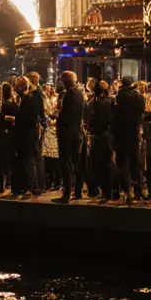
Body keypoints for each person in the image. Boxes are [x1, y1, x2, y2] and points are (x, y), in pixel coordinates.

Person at [55, 71, 86, 203]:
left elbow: (66, 115)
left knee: (66, 163)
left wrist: (58, 120)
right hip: (77, 132)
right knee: (77, 163)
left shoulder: (69, 94)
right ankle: (78, 191)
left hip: (67, 133)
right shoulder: (80, 93)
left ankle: (67, 193)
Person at [113, 77, 145, 205]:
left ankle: (128, 191)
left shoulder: (119, 96)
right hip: (134, 132)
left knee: (122, 163)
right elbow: (142, 111)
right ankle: (139, 190)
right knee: (135, 162)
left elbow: (115, 115)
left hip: (121, 134)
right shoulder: (138, 96)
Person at [14, 73, 46, 197]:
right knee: (33, 158)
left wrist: (16, 120)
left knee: (29, 159)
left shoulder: (28, 98)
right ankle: (35, 185)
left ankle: (30, 186)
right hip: (33, 130)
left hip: (27, 132)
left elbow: (25, 117)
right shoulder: (36, 97)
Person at [86, 79, 114, 201]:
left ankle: (104, 192)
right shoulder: (111, 101)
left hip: (97, 136)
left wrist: (89, 129)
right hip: (108, 135)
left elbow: (91, 119)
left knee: (98, 165)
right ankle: (110, 192)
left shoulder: (94, 103)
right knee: (107, 164)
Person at [0, 82, 18, 194]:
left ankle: (0, 186)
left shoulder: (0, 107)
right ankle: (12, 185)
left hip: (0, 134)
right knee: (11, 161)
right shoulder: (14, 105)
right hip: (11, 134)